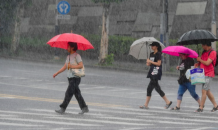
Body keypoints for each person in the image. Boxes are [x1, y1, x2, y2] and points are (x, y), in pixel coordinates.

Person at [53, 42, 89, 114]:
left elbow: (81, 65)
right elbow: (65, 67)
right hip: (70, 78)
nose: (67, 48)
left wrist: (73, 66)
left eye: (68, 47)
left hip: (76, 77)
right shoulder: (68, 57)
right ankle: (84, 107)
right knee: (77, 93)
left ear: (72, 48)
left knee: (68, 93)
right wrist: (57, 73)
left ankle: (63, 108)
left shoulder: (77, 56)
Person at [139, 42, 172, 109]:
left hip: (156, 72)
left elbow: (159, 64)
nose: (152, 47)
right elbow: (150, 64)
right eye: (151, 46)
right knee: (157, 88)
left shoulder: (159, 54)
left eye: (153, 46)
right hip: (152, 71)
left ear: (156, 46)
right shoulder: (151, 54)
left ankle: (146, 104)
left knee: (150, 89)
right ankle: (168, 102)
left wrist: (151, 62)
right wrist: (148, 62)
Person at [195, 42, 218, 112]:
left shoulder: (213, 52)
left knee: (204, 91)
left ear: (207, 45)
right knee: (207, 91)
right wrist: (197, 63)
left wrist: (200, 60)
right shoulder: (204, 52)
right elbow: (202, 61)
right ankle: (216, 106)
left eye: (203, 45)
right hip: (203, 73)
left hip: (209, 74)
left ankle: (201, 107)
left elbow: (207, 63)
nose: (202, 46)